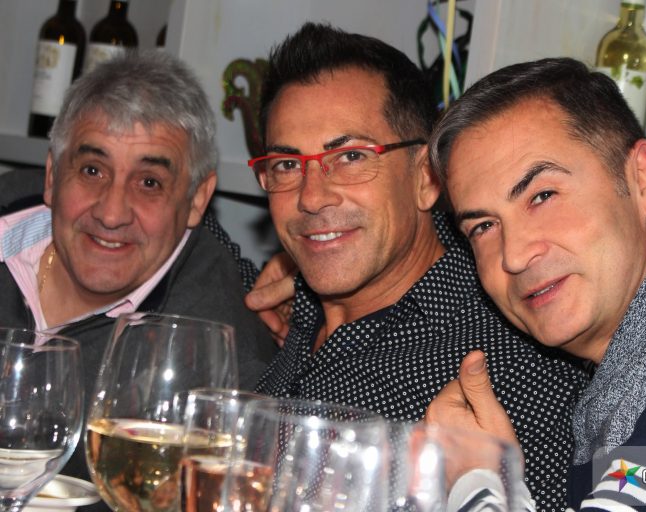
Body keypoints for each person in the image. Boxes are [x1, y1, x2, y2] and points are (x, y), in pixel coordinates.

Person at [247, 22, 588, 509]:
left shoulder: (503, 377)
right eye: (286, 165)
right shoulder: (300, 311)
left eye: (350, 156)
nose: (311, 197)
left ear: (427, 177)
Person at [425, 57, 646, 510]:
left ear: (643, 178)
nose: (514, 255)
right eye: (484, 227)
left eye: (542, 196)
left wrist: (478, 479)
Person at [0, 50, 277, 500]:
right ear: (52, 176)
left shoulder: (221, 355)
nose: (111, 213)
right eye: (92, 170)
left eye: (149, 182)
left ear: (197, 199)